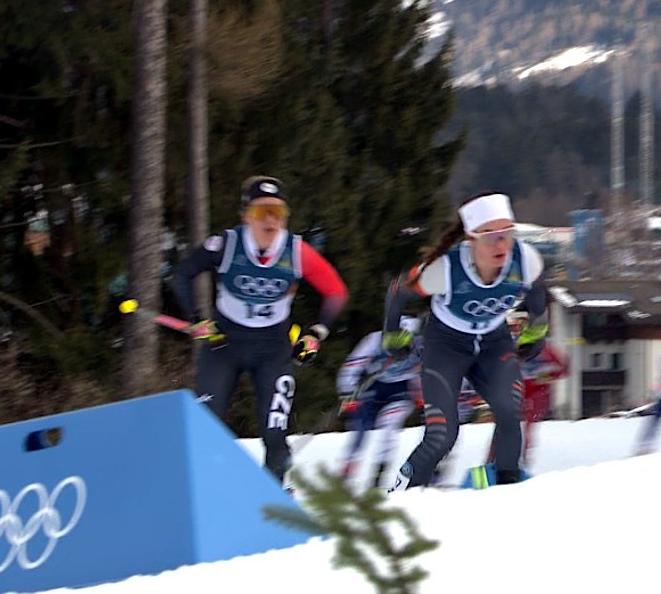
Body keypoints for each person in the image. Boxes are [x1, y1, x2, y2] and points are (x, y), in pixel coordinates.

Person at [172, 175, 348, 482]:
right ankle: (204, 493)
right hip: (224, 344)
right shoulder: (225, 245)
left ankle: (275, 496)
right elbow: (182, 275)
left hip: (273, 348)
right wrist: (196, 317)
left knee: (274, 433)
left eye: (277, 213)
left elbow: (335, 291)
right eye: (261, 211)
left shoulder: (297, 252)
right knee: (205, 424)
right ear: (246, 216)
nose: (270, 220)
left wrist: (316, 332)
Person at [382, 191, 548, 490]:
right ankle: (400, 494)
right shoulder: (445, 270)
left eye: (507, 234)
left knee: (510, 414)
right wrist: (393, 334)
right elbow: (398, 291)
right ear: (471, 239)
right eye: (490, 237)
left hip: (493, 343)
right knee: (442, 434)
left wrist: (537, 330)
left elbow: (537, 294)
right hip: (446, 345)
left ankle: (509, 491)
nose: (501, 244)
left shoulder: (526, 261)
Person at [336, 316, 423, 490]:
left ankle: (378, 477)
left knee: (390, 425)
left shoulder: (422, 346)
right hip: (372, 387)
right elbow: (351, 366)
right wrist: (347, 392)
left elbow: (429, 372)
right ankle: (345, 475)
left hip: (401, 389)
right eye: (392, 337)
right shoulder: (374, 341)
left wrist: (423, 398)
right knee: (360, 429)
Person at [486, 310, 568, 466]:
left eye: (521, 325)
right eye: (513, 326)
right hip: (514, 390)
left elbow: (563, 368)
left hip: (536, 392)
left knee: (526, 430)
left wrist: (543, 376)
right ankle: (491, 461)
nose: (517, 330)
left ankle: (521, 463)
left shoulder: (543, 347)